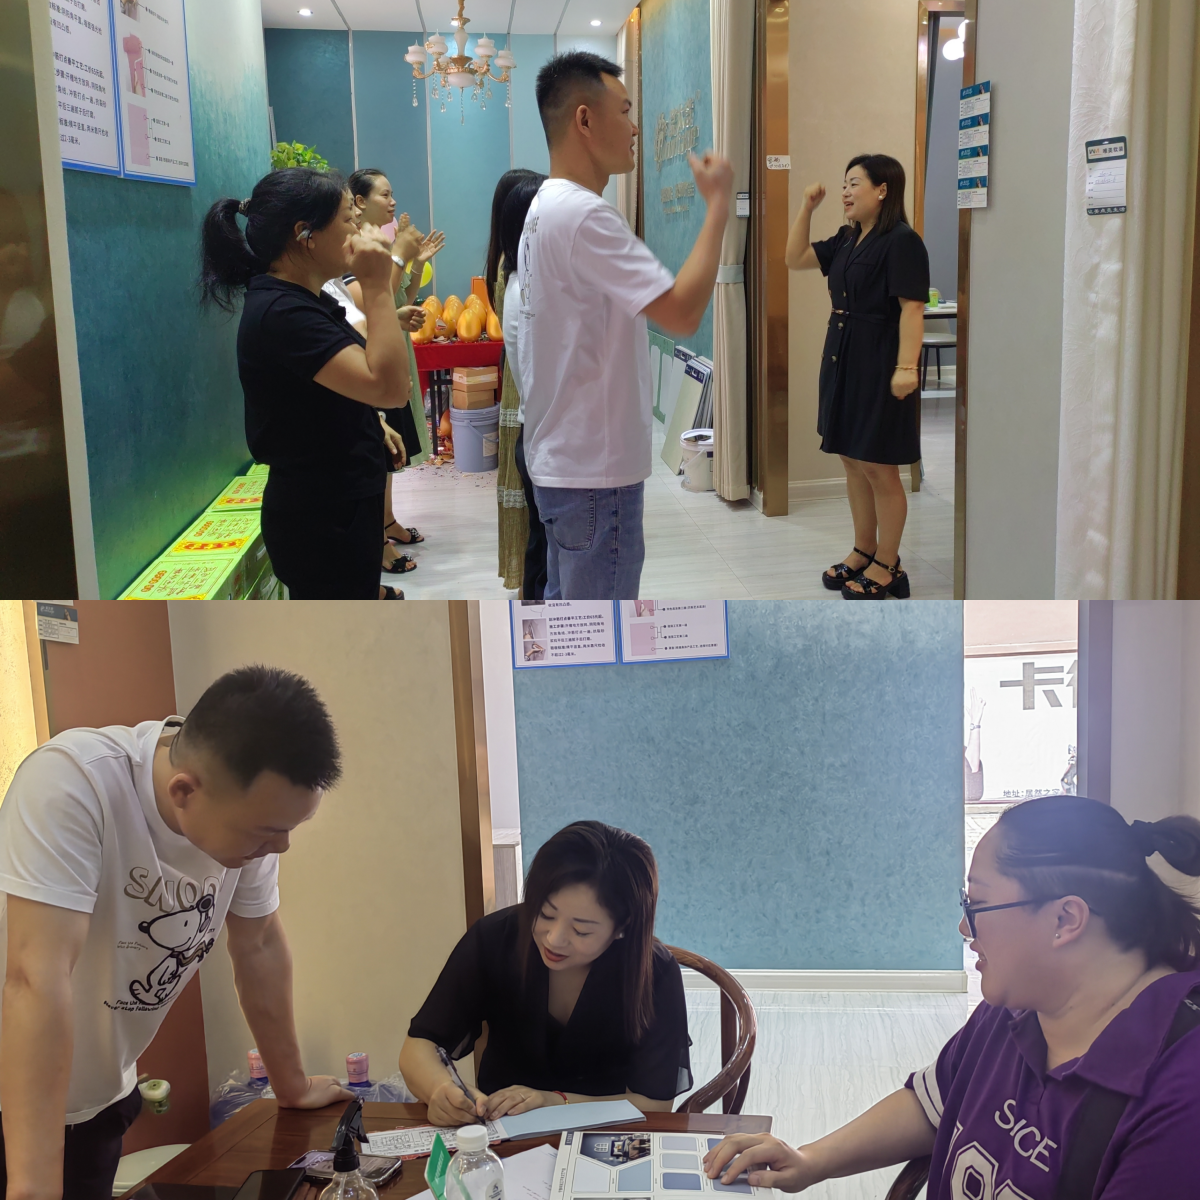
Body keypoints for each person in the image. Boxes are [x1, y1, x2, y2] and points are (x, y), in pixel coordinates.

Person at [704, 795, 1200, 1199]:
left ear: (1065, 919)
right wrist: (810, 1160)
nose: (965, 928)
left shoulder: (1178, 1098)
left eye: (977, 904)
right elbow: (933, 1104)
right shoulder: (1013, 1011)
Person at [0, 666, 354, 1200]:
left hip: (97, 1102)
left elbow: (258, 945)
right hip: (16, 1104)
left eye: (289, 830)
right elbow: (36, 979)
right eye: (268, 833)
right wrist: (32, 1188)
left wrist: (293, 1086)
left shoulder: (247, 821)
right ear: (184, 791)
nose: (280, 848)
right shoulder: (74, 782)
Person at [517, 52, 733, 600]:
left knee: (571, 623)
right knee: (599, 634)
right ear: (585, 120)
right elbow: (681, 312)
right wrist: (717, 209)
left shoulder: (544, 207)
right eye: (626, 111)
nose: (635, 128)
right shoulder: (585, 215)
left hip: (563, 462)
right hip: (594, 473)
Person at [199, 167, 424, 600]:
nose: (357, 229)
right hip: (322, 521)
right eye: (347, 219)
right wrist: (377, 283)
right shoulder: (284, 313)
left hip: (338, 506)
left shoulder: (306, 298)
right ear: (305, 234)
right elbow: (392, 388)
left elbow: (336, 382)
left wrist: (370, 420)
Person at [399, 820, 692, 1125]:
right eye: (545, 913)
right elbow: (419, 1045)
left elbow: (654, 1104)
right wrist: (440, 1089)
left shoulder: (654, 973)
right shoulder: (495, 939)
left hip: (603, 1136)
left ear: (622, 927)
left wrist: (555, 1101)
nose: (554, 939)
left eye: (581, 930)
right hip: (502, 1133)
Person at [785, 155, 930, 600]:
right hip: (842, 357)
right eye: (844, 184)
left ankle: (889, 563)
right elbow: (795, 258)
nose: (845, 192)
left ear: (882, 190)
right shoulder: (848, 238)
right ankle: (863, 549)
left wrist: (907, 368)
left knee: (880, 466)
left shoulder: (902, 241)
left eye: (854, 183)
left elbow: (912, 307)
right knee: (852, 459)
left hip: (880, 362)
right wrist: (806, 208)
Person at [346, 170, 446, 560]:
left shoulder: (382, 241)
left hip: (393, 344)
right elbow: (380, 298)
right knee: (379, 448)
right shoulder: (356, 247)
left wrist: (415, 261)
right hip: (370, 351)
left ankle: (387, 521)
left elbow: (404, 295)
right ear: (358, 202)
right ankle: (378, 536)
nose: (392, 202)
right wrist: (401, 255)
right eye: (384, 195)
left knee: (390, 450)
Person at [484, 169, 547, 596]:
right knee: (546, 542)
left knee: (542, 538)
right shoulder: (528, 288)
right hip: (541, 429)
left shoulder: (519, 280)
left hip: (532, 425)